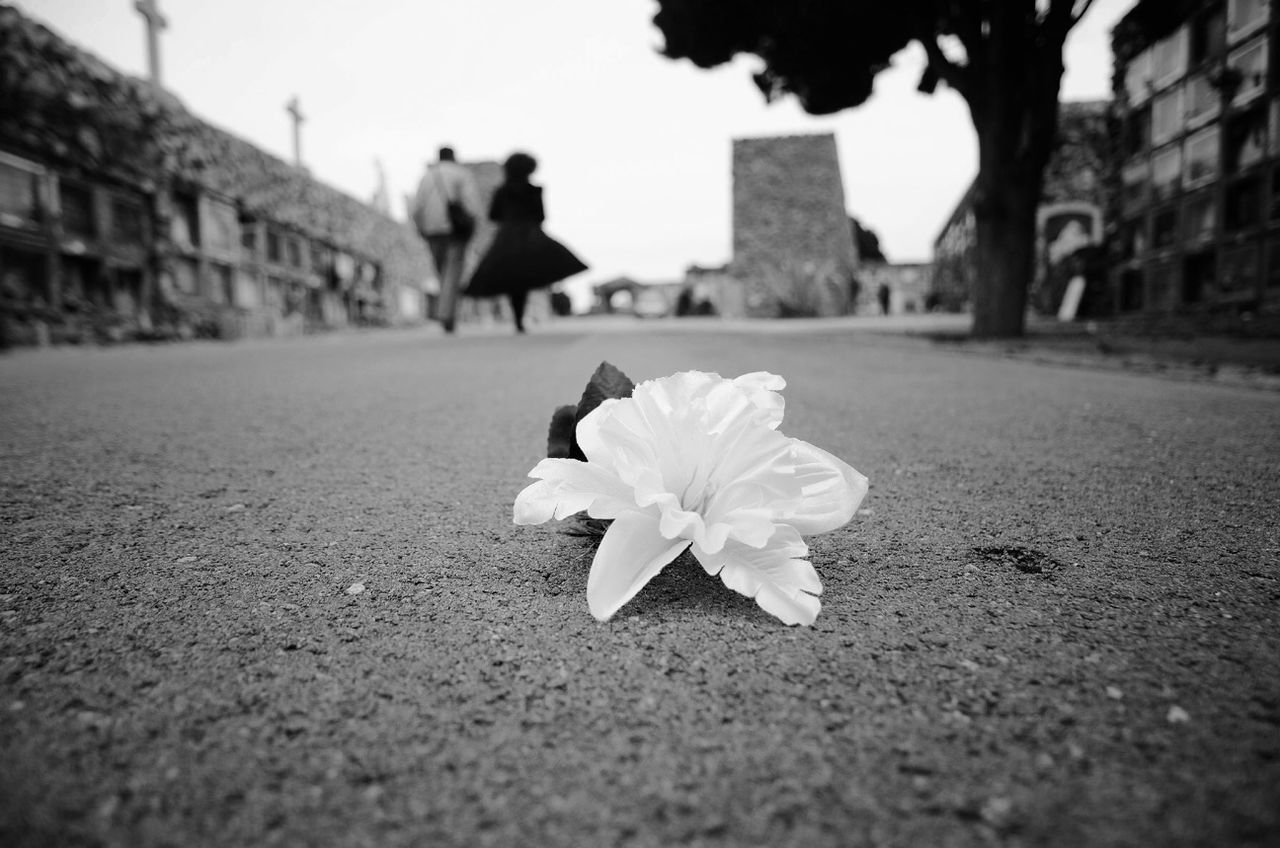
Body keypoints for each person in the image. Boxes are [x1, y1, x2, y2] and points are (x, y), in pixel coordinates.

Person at [463, 152, 587, 333]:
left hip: (507, 236)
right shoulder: (533, 190)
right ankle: (521, 318)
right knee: (526, 278)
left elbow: (493, 215)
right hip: (530, 235)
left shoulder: (502, 191)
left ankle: (518, 318)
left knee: (514, 280)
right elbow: (541, 217)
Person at [411, 146, 482, 334]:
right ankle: (446, 314)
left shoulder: (426, 177)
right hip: (455, 230)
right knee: (452, 273)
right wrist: (471, 226)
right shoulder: (461, 174)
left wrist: (420, 228)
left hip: (432, 230)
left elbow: (416, 207)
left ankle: (445, 312)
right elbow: (471, 205)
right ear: (454, 157)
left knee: (442, 272)